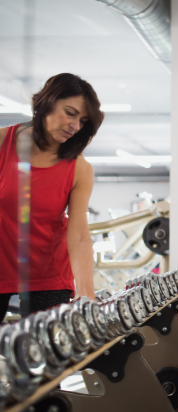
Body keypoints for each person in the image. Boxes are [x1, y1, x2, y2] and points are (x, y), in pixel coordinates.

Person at [0, 73, 104, 320]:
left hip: (48, 273)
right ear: (47, 102)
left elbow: (78, 236)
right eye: (70, 113)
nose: (75, 126)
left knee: (48, 353)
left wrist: (87, 293)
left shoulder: (79, 168)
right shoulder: (2, 142)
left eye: (83, 120)